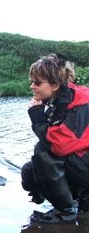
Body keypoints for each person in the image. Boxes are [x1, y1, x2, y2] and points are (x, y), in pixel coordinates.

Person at [21, 53, 89, 224]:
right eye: (32, 82)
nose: (32, 86)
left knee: (42, 150)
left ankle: (65, 212)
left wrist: (37, 117)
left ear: (55, 85)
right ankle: (74, 200)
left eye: (37, 83)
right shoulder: (61, 99)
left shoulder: (78, 103)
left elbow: (58, 146)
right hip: (82, 164)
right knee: (29, 171)